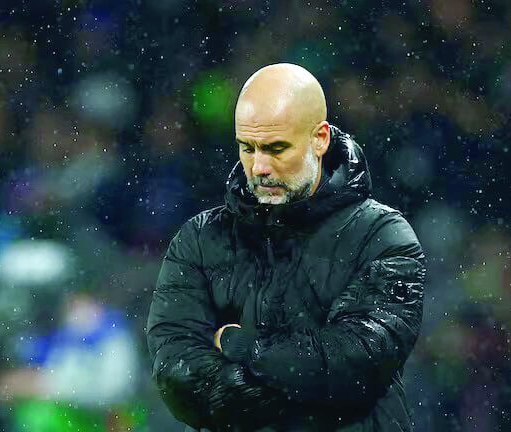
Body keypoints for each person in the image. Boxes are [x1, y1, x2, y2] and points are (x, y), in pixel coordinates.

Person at [146, 63, 426, 432]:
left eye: (277, 148)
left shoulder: (383, 237)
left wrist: (242, 347)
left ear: (320, 139)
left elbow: (355, 365)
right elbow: (177, 374)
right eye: (247, 148)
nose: (260, 166)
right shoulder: (199, 240)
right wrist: (303, 387)